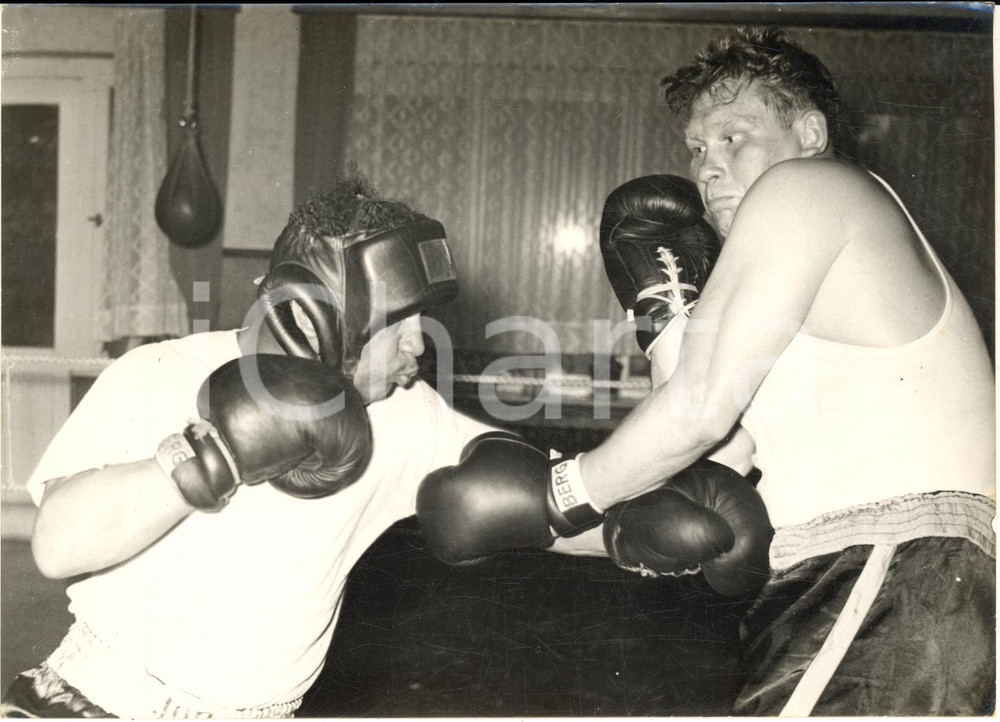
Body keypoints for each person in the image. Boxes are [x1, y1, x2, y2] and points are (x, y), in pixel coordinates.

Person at [419, 27, 996, 716]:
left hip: (892, 566)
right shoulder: (811, 262)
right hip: (886, 578)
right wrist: (666, 317)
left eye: (733, 137)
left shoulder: (806, 185)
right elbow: (711, 467)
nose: (708, 167)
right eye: (697, 147)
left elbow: (697, 410)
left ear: (810, 133)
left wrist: (552, 496)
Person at [0, 174, 506, 719]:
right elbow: (56, 547)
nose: (419, 343)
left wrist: (576, 498)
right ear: (317, 316)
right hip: (92, 701)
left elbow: (540, 490)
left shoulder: (403, 411)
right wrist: (211, 458)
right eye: (398, 320)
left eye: (423, 318)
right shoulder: (158, 372)